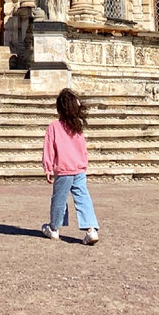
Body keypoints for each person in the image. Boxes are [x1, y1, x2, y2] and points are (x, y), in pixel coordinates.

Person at [41, 88, 100, 245]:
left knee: (59, 199)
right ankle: (91, 230)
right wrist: (84, 164)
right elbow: (83, 148)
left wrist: (48, 168)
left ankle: (54, 228)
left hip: (64, 169)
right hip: (79, 168)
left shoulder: (54, 126)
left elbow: (49, 148)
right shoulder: (77, 126)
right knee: (83, 198)